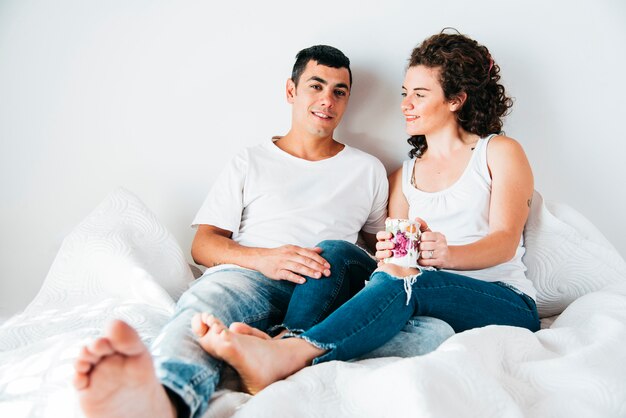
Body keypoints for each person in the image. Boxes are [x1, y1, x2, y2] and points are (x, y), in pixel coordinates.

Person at [72, 45, 453, 418]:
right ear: (291, 91)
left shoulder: (367, 169)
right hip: (251, 279)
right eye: (316, 86)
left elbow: (373, 251)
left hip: (329, 286)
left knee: (432, 333)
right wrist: (265, 259)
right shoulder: (250, 160)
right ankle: (167, 399)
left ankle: (269, 352)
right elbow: (203, 245)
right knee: (202, 309)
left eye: (339, 92)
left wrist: (409, 247)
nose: (327, 100)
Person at [192, 31, 542, 395]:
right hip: (422, 288)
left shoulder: (498, 152)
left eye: (420, 95)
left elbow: (503, 242)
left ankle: (285, 353)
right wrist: (392, 253)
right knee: (335, 252)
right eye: (405, 93)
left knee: (409, 281)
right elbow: (390, 264)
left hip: (502, 298)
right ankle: (287, 339)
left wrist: (446, 254)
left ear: (456, 99)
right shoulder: (402, 177)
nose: (406, 104)